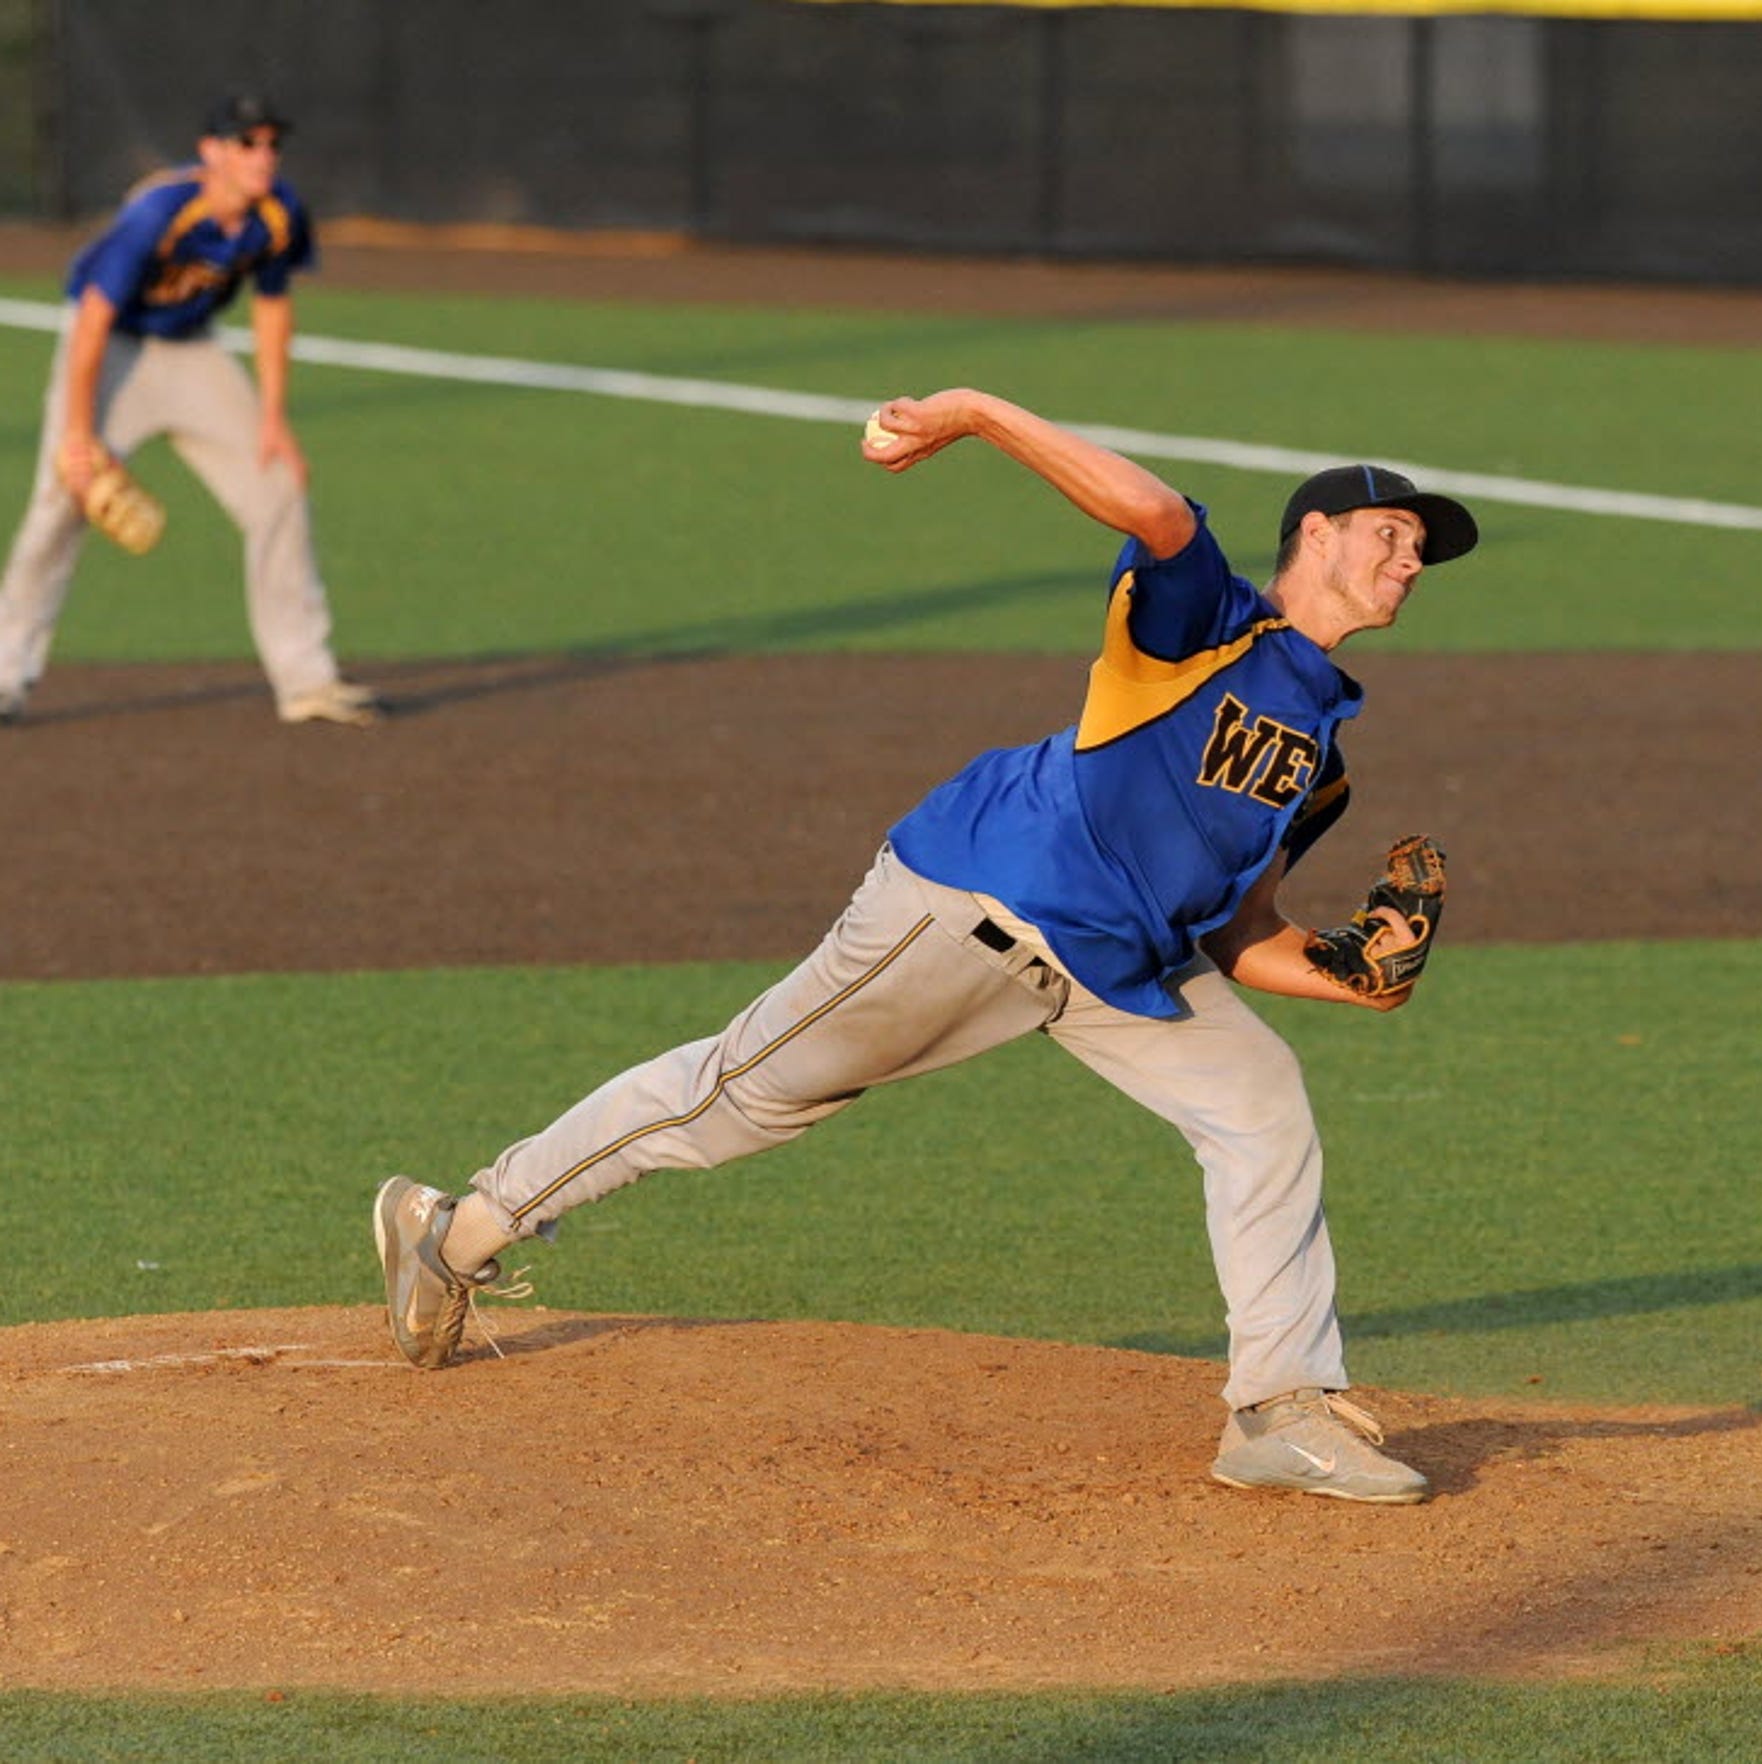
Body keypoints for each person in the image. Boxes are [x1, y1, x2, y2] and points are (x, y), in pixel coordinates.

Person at [372, 388, 1478, 1504]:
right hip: (967, 905)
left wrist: (1352, 973)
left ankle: (1277, 1411)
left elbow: (1238, 934)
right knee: (737, 1097)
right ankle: (456, 1232)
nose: (1411, 559)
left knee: (1260, 1100)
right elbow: (1153, 514)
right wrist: (972, 413)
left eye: (1422, 549)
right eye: (1392, 534)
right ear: (1317, 537)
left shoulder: (1318, 763)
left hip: (1109, 971)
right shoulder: (1214, 622)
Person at [0, 93, 379, 728]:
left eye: (270, 144)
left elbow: (272, 306)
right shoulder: (160, 211)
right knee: (61, 503)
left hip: (192, 353)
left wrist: (273, 417)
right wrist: (76, 436)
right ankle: (5, 674)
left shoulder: (279, 213)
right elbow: (93, 321)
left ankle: (306, 680)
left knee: (280, 487)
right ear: (212, 153)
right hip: (114, 350)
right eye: (246, 143)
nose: (262, 157)